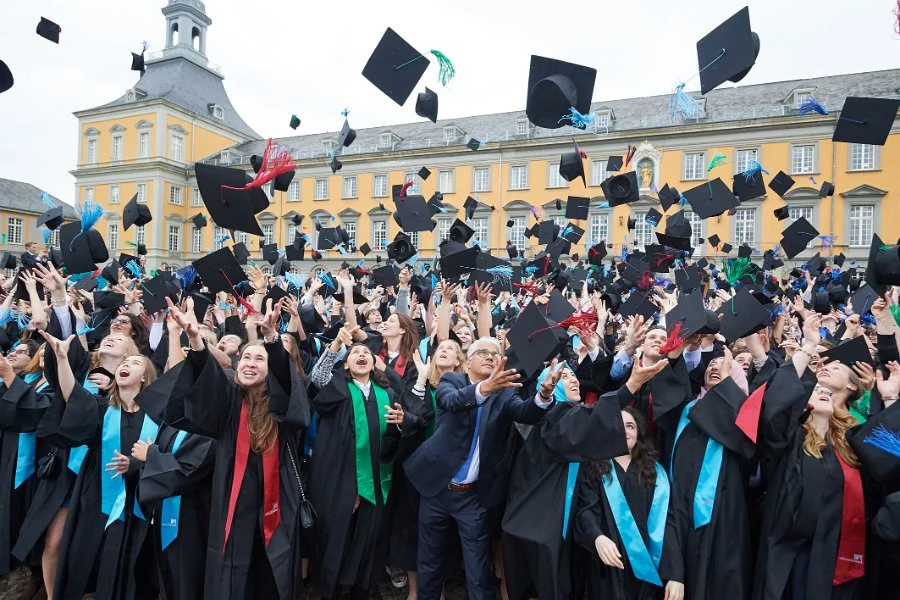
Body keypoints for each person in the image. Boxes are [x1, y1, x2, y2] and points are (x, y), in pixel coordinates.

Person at [164, 297, 310, 600]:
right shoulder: (230, 399)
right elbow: (206, 384)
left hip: (276, 503)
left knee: (273, 571)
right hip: (232, 499)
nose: (250, 364)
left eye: (260, 359)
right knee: (232, 571)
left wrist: (271, 338)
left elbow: (289, 388)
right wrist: (195, 338)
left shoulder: (281, 403)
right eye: (245, 358)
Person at [405, 337, 557, 600]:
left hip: (473, 497)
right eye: (483, 352)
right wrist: (484, 388)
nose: (490, 356)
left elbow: (525, 413)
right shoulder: (453, 380)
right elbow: (450, 402)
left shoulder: (506, 393)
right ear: (468, 362)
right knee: (429, 564)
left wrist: (543, 396)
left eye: (495, 354)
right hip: (436, 490)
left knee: (478, 571)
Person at [753, 314, 870, 599]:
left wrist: (887, 397)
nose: (821, 389)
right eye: (815, 388)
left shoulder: (853, 438)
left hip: (831, 549)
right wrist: (808, 347)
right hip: (785, 548)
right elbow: (774, 410)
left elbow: (887, 462)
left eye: (836, 367)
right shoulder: (792, 435)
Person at [38, 329, 160, 600]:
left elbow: (166, 458)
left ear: (145, 377)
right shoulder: (102, 408)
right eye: (125, 364)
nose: (126, 365)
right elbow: (74, 396)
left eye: (134, 363)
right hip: (96, 498)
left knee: (128, 570)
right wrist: (61, 360)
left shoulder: (158, 417)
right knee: (86, 559)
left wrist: (140, 461)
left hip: (138, 505)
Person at [501, 360, 634, 600]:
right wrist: (632, 384)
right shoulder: (553, 417)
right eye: (565, 376)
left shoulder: (569, 417)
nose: (574, 380)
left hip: (569, 525)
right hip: (539, 528)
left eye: (574, 376)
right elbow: (587, 420)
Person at [307, 323, 407, 600]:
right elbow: (319, 377)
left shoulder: (387, 394)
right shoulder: (338, 385)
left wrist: (401, 425)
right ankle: (331, 589)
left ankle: (363, 587)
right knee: (337, 532)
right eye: (355, 353)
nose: (362, 355)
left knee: (369, 534)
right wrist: (336, 346)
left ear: (375, 363)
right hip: (339, 476)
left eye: (366, 352)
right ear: (347, 365)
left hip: (376, 476)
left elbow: (398, 432)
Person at [575, 406, 678, 600]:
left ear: (638, 433)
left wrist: (675, 575)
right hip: (607, 569)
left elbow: (668, 523)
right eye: (618, 425)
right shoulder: (594, 469)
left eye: (630, 426)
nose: (625, 431)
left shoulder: (655, 473)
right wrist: (597, 537)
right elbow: (585, 511)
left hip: (646, 570)